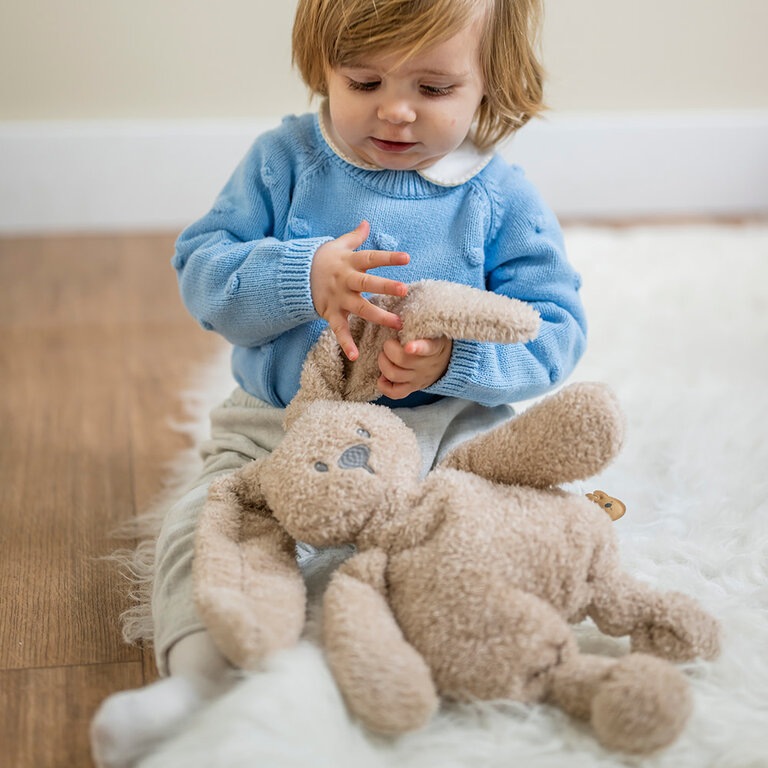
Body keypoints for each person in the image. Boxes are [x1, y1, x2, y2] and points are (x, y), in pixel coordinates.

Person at [90, 0, 586, 765]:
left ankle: (466, 654)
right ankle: (197, 682)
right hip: (280, 419)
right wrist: (302, 276)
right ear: (323, 66)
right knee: (213, 526)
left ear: (491, 83)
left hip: (441, 425)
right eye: (363, 80)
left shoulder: (497, 196)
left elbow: (554, 329)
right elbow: (201, 270)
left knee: (489, 525)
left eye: (433, 88)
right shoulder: (284, 161)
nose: (394, 110)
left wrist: (456, 364)